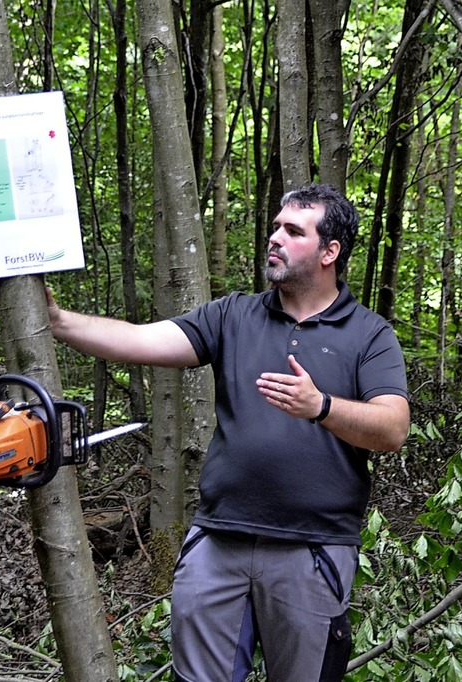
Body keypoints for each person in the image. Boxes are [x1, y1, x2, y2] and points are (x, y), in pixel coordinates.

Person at [45, 183, 410, 682]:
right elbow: (137, 339)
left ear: (330, 252)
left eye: (293, 231)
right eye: (276, 226)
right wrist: (60, 322)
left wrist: (320, 406)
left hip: (311, 550)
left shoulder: (369, 334)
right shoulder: (233, 315)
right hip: (219, 542)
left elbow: (392, 427)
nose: (275, 238)